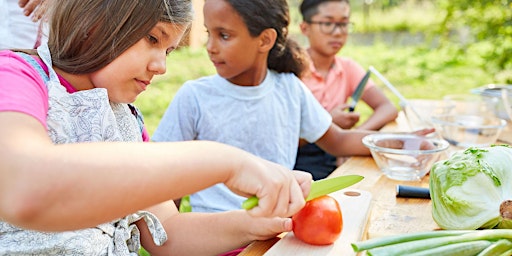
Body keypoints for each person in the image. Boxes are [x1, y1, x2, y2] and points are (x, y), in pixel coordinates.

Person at [0, 0, 313, 255]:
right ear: (96, 18)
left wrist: (256, 223)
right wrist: (225, 162)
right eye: (152, 39)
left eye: (169, 51)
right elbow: (24, 187)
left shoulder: (125, 118)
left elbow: (167, 232)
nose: (161, 67)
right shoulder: (16, 77)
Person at [153, 0, 431, 216]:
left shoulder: (289, 88)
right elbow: (164, 175)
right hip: (216, 237)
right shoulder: (194, 96)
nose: (211, 47)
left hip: (278, 229)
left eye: (224, 36)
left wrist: (404, 142)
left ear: (265, 40)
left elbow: (339, 141)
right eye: (209, 34)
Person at [294, 0, 399, 180]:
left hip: (338, 152)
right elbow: (281, 137)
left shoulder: (348, 68)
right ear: (305, 28)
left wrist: (353, 139)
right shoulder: (291, 71)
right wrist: (328, 123)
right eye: (327, 23)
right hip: (300, 161)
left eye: (343, 24)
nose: (338, 32)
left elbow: (388, 108)